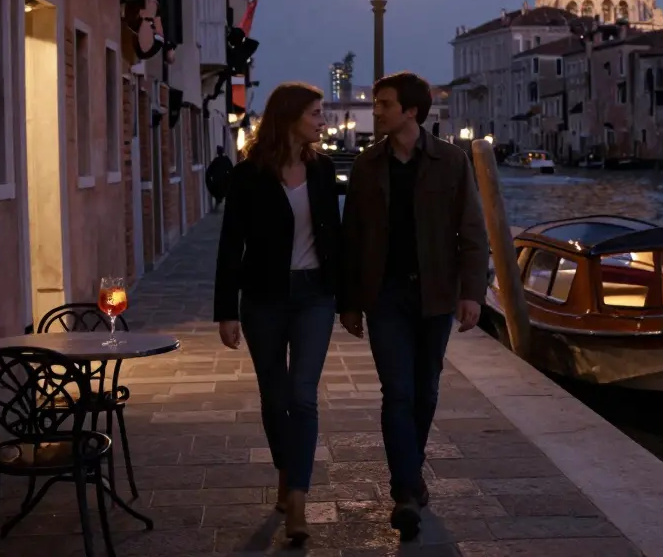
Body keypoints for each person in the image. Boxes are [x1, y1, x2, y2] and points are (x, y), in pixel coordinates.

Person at [340, 71, 489, 541]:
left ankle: (409, 473)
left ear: (411, 111)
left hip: (437, 292)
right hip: (385, 295)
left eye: (384, 104)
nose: (376, 110)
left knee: (425, 391)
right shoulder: (367, 165)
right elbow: (352, 237)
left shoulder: (451, 161)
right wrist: (349, 301)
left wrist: (472, 293)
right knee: (398, 392)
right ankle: (405, 489)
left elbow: (473, 231)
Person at [212, 82, 345, 544]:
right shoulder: (249, 176)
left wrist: (347, 300)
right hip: (264, 298)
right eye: (315, 112)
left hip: (314, 297)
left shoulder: (324, 170)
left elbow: (336, 240)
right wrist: (226, 311)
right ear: (290, 117)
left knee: (303, 395)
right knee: (274, 396)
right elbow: (232, 245)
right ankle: (286, 475)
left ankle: (298, 501)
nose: (322, 119)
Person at [205, 145, 233, 210]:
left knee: (219, 194)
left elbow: (209, 171)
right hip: (223, 181)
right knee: (223, 194)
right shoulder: (225, 160)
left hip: (218, 182)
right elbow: (231, 169)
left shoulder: (216, 160)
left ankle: (218, 206)